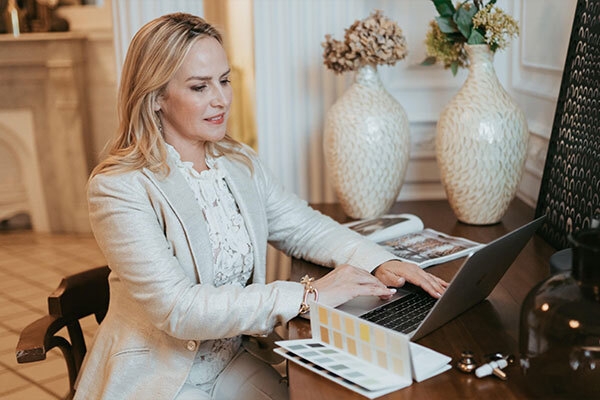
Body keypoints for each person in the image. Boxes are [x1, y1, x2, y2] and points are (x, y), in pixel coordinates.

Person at [74, 12, 448, 400]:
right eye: (200, 87)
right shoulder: (118, 187)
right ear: (155, 97)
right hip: (160, 376)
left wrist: (378, 261)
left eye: (224, 80)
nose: (221, 99)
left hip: (231, 359)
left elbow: (302, 226)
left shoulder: (238, 162)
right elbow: (178, 309)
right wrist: (308, 296)